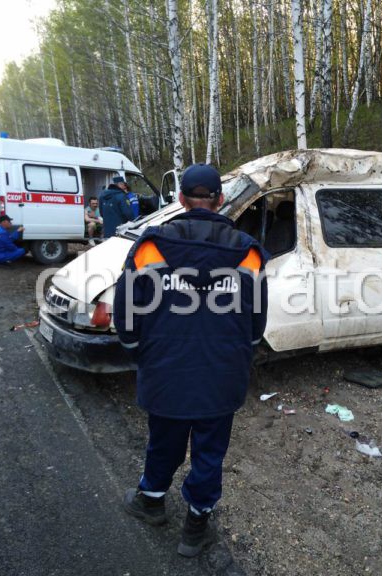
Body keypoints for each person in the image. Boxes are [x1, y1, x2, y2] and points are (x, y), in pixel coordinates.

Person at [114, 164, 268, 558]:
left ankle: (151, 501)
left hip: (165, 369)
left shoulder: (151, 245)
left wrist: (139, 353)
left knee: (163, 441)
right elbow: (256, 322)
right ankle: (195, 527)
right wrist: (238, 356)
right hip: (222, 373)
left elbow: (126, 316)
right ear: (219, 200)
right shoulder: (247, 251)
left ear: (180, 199)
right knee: (209, 452)